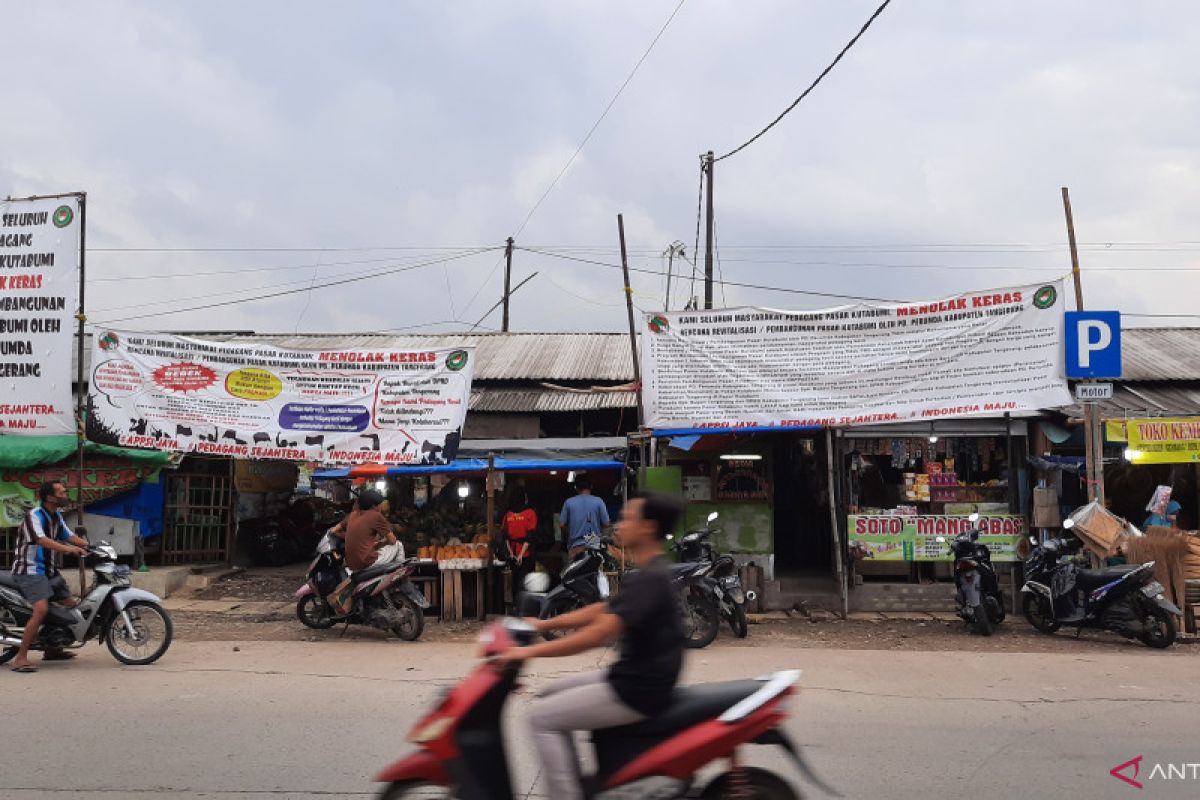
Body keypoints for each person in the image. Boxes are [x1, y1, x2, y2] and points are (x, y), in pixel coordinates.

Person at [498, 491, 685, 800]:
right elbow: (602, 610)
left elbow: (598, 634)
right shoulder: (647, 572)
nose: (619, 525)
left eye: (628, 519)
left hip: (637, 689)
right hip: (634, 677)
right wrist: (544, 624)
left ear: (648, 528)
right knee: (548, 695)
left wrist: (526, 651)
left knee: (540, 717)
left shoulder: (649, 578)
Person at [9, 481, 90, 673]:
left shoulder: (56, 517)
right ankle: (20, 658)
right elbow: (42, 540)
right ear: (50, 498)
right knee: (41, 610)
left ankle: (52, 649)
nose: (66, 494)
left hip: (49, 571)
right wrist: (70, 550)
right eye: (62, 492)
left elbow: (69, 536)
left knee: (71, 606)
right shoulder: (34, 516)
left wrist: (91, 546)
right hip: (29, 571)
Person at [335, 489, 404, 571]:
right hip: (366, 562)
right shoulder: (376, 516)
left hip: (351, 564)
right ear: (374, 506)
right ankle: (400, 574)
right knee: (398, 545)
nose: (380, 506)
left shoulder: (352, 515)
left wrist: (351, 537)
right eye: (379, 504)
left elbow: (334, 531)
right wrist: (382, 543)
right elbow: (392, 541)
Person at [558, 473, 610, 560]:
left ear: (576, 487)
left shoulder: (569, 502)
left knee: (576, 572)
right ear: (591, 486)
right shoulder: (598, 501)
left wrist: (570, 533)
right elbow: (606, 524)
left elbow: (562, 525)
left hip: (575, 544)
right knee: (593, 571)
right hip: (593, 543)